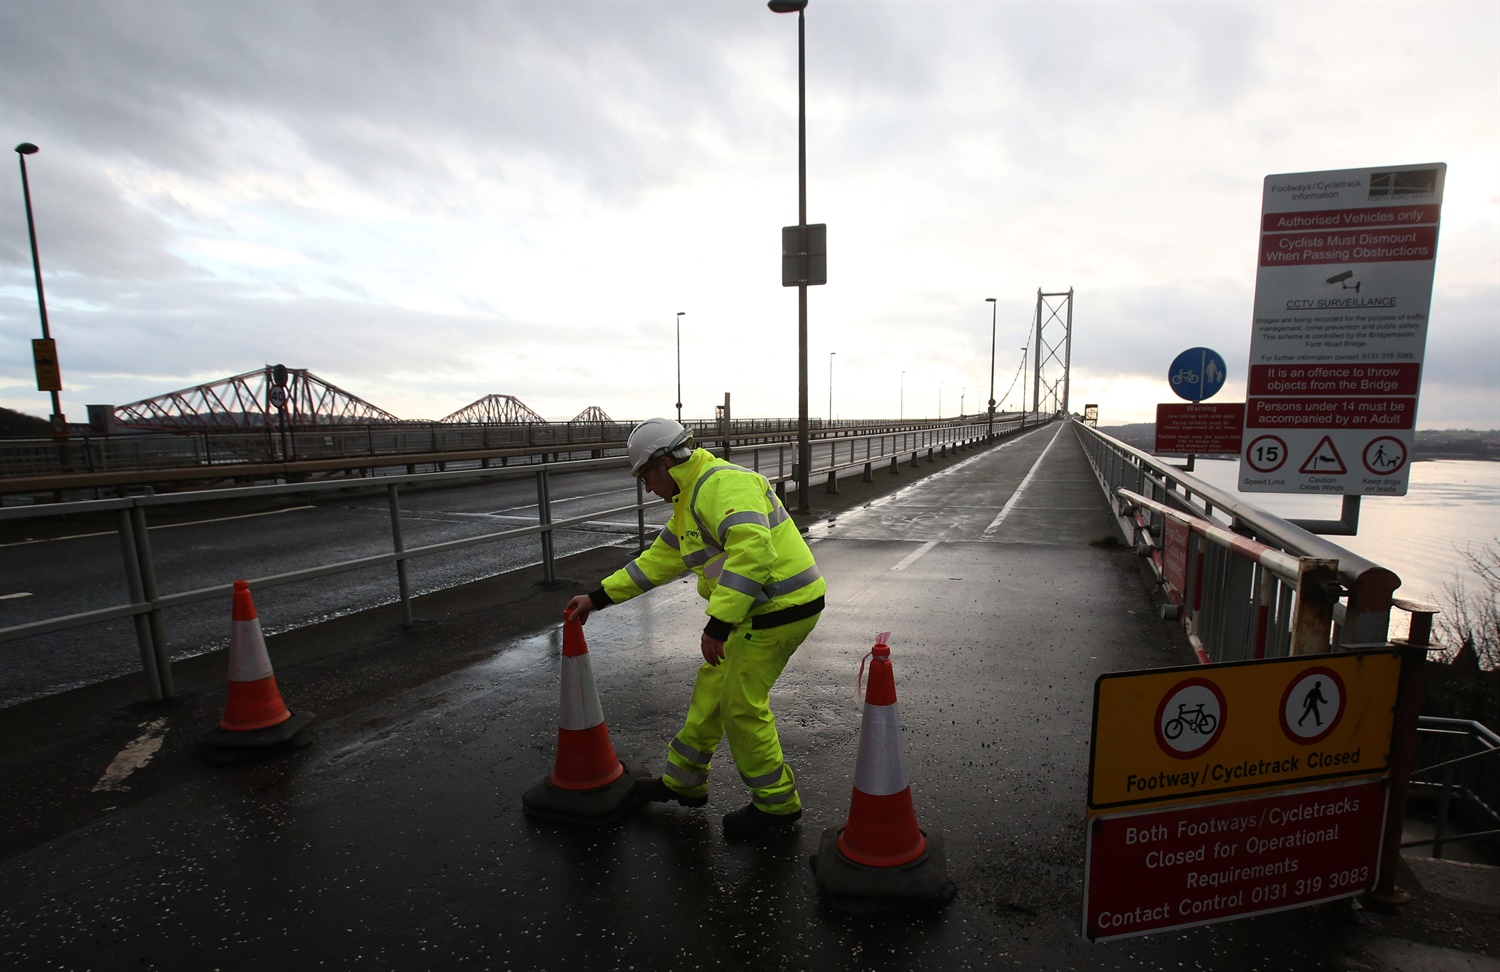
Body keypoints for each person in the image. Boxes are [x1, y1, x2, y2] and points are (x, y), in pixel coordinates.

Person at [565, 417, 826, 838]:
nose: (647, 488)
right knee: (712, 693)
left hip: (780, 609)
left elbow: (752, 552)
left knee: (741, 706)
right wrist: (597, 597)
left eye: (646, 476)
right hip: (756, 610)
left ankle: (777, 805)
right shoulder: (691, 498)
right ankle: (684, 781)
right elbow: (656, 561)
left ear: (665, 462)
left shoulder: (720, 485)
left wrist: (718, 624)